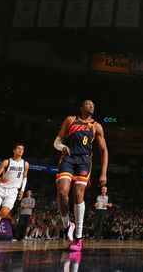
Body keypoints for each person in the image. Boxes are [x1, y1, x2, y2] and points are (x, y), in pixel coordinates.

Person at [54, 99, 109, 252]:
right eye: (88, 104)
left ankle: (78, 237)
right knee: (62, 192)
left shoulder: (96, 126)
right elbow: (57, 142)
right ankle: (66, 226)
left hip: (84, 160)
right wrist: (63, 147)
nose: (91, 106)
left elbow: (104, 151)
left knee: (78, 194)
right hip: (68, 158)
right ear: (81, 107)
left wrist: (103, 172)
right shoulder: (70, 120)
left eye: (93, 104)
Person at [0, 144, 30, 245]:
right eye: (18, 149)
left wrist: (22, 190)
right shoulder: (7, 162)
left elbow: (24, 177)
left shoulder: (25, 164)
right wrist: (0, 179)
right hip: (1, 189)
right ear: (14, 150)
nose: (20, 150)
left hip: (13, 191)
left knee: (3, 213)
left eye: (22, 149)